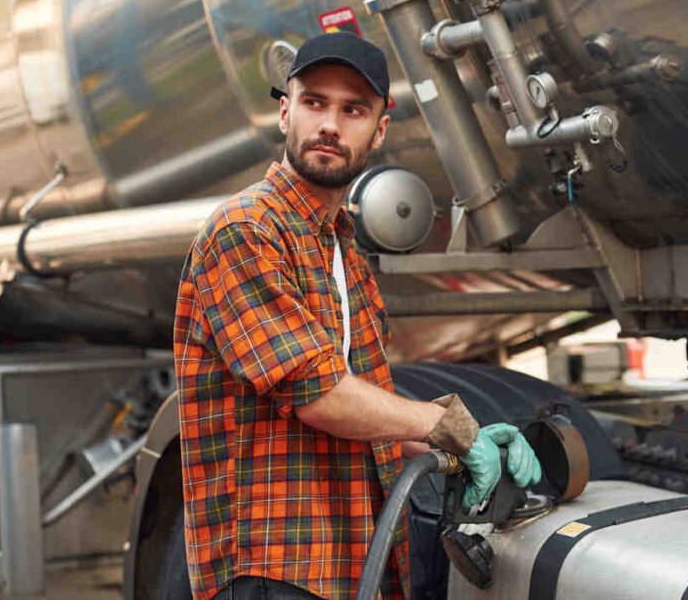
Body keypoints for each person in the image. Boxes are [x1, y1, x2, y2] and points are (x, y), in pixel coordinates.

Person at [173, 33, 541, 600]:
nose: (330, 125)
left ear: (380, 129)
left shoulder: (343, 248)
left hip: (349, 560)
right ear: (284, 112)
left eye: (353, 110)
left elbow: (372, 411)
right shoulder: (247, 231)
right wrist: (449, 427)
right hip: (274, 568)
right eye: (314, 102)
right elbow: (317, 393)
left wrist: (452, 446)